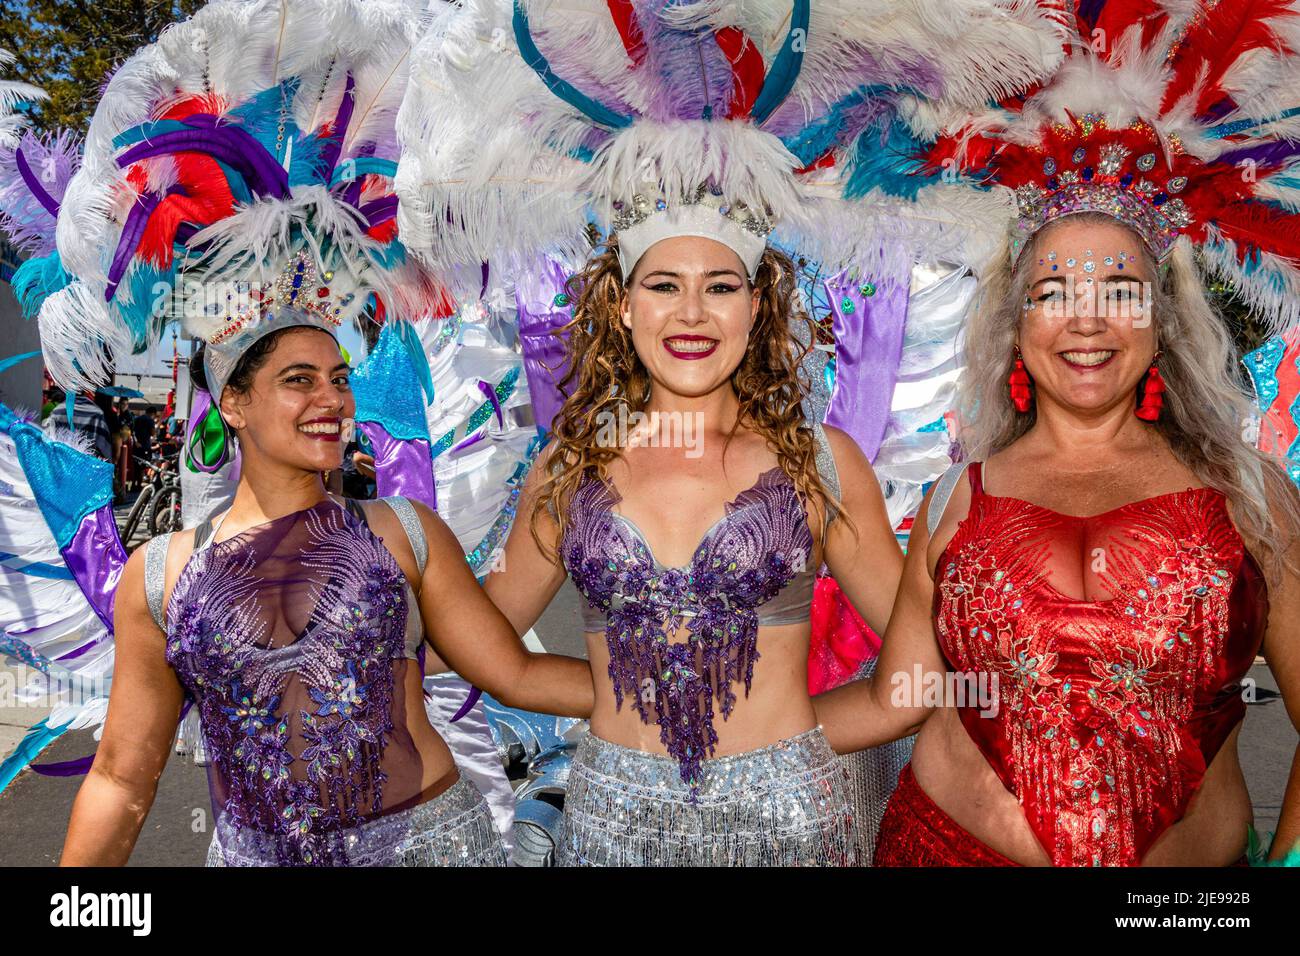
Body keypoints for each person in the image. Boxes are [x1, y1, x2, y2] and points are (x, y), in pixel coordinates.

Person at [397, 0, 1065, 865]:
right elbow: (504, 660)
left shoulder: (824, 464)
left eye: (720, 286)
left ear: (758, 304)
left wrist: (791, 744)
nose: (691, 313)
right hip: (611, 827)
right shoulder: (572, 466)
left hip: (790, 823)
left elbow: (913, 676)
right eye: (664, 285)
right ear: (622, 303)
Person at [52, 0, 594, 867]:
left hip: (432, 849)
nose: (331, 401)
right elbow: (122, 774)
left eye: (338, 378)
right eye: (297, 381)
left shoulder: (402, 534)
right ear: (232, 402)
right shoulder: (162, 580)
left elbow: (518, 674)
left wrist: (664, 687)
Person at [814, 2, 1300, 866]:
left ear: (1162, 322)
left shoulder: (1256, 504)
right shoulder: (956, 497)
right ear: (1014, 325)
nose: (1086, 321)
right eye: (1051, 292)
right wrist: (716, 742)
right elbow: (906, 694)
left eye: (1117, 288)